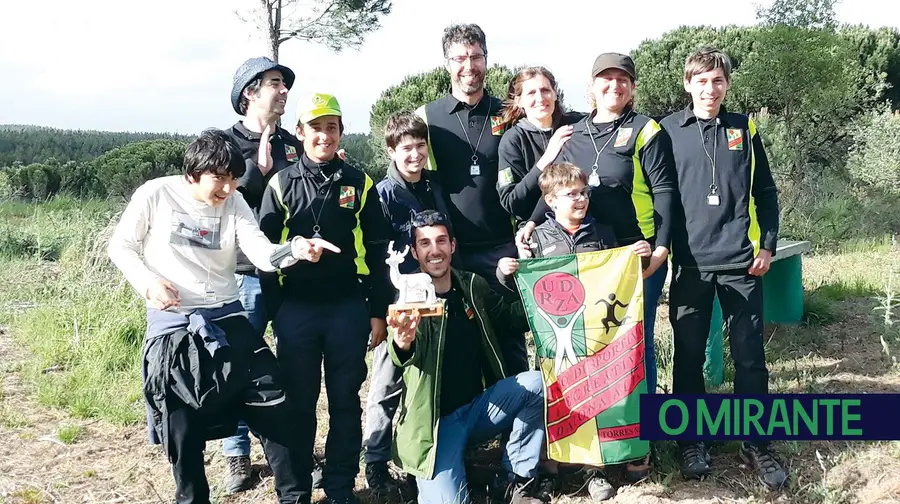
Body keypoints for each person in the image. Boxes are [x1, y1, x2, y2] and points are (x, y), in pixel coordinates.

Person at [107, 128, 336, 504]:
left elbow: (262, 253)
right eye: (220, 179)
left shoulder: (235, 203)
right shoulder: (155, 194)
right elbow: (121, 246)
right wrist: (149, 283)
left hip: (228, 319)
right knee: (181, 428)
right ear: (192, 174)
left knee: (276, 405)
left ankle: (295, 497)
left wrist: (296, 249)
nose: (228, 189)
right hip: (174, 324)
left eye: (233, 179)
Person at [659, 47, 787, 489]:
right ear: (687, 84)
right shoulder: (667, 131)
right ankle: (692, 441)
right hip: (690, 265)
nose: (709, 89)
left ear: (727, 84)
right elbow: (659, 197)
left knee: (750, 357)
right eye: (701, 81)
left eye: (717, 81)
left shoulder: (744, 129)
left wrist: (767, 245)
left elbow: (766, 193)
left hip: (742, 265)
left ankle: (756, 443)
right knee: (689, 358)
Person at [258, 92, 392, 504]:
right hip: (296, 311)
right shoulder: (280, 183)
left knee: (345, 405)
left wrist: (377, 311)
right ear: (300, 134)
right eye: (315, 128)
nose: (324, 136)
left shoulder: (359, 181)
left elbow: (377, 249)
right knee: (298, 405)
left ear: (340, 133)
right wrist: (277, 310)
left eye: (331, 127)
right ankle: (295, 491)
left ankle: (339, 488)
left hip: (347, 310)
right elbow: (263, 253)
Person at [497, 162, 651, 501]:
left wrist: (637, 256)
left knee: (593, 399)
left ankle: (592, 471)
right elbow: (519, 288)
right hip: (553, 345)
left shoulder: (603, 234)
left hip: (595, 340)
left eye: (584, 193)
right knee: (555, 400)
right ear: (551, 200)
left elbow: (620, 277)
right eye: (572, 194)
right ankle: (550, 470)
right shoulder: (536, 238)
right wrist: (506, 271)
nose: (580, 200)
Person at [387, 210, 548, 504]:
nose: (434, 250)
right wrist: (402, 341)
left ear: (453, 246)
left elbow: (512, 319)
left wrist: (538, 279)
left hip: (478, 410)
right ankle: (444, 470)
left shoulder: (473, 286)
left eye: (441, 241)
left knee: (537, 385)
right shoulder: (411, 296)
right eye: (424, 243)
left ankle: (514, 481)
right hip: (435, 427)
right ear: (414, 252)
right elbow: (401, 354)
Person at [416, 22, 528, 375]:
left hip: (504, 248)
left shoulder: (508, 112)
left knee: (511, 341)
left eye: (476, 56)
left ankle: (520, 426)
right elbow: (419, 179)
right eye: (460, 58)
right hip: (454, 253)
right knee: (463, 346)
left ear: (486, 59)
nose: (469, 65)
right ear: (447, 64)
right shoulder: (428, 117)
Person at [221, 55, 307, 494]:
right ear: (249, 92)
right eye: (275, 82)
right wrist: (259, 171)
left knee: (291, 362)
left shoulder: (294, 143)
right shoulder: (225, 144)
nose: (284, 90)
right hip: (243, 274)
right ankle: (237, 455)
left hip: (287, 274)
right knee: (239, 364)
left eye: (285, 83)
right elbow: (216, 195)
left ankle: (288, 442)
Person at [363, 111, 454, 493]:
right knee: (387, 383)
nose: (415, 154)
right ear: (390, 151)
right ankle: (376, 461)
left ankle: (434, 447)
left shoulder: (435, 185)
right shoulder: (381, 195)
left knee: (433, 377)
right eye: (406, 148)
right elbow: (372, 258)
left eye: (420, 146)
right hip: (397, 303)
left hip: (437, 298)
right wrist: (379, 313)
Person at [496, 66, 583, 226]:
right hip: (538, 234)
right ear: (518, 100)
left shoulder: (577, 125)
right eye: (531, 93)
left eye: (545, 90)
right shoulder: (513, 140)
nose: (540, 98)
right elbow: (512, 202)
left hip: (585, 230)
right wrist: (546, 160)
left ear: (555, 94)